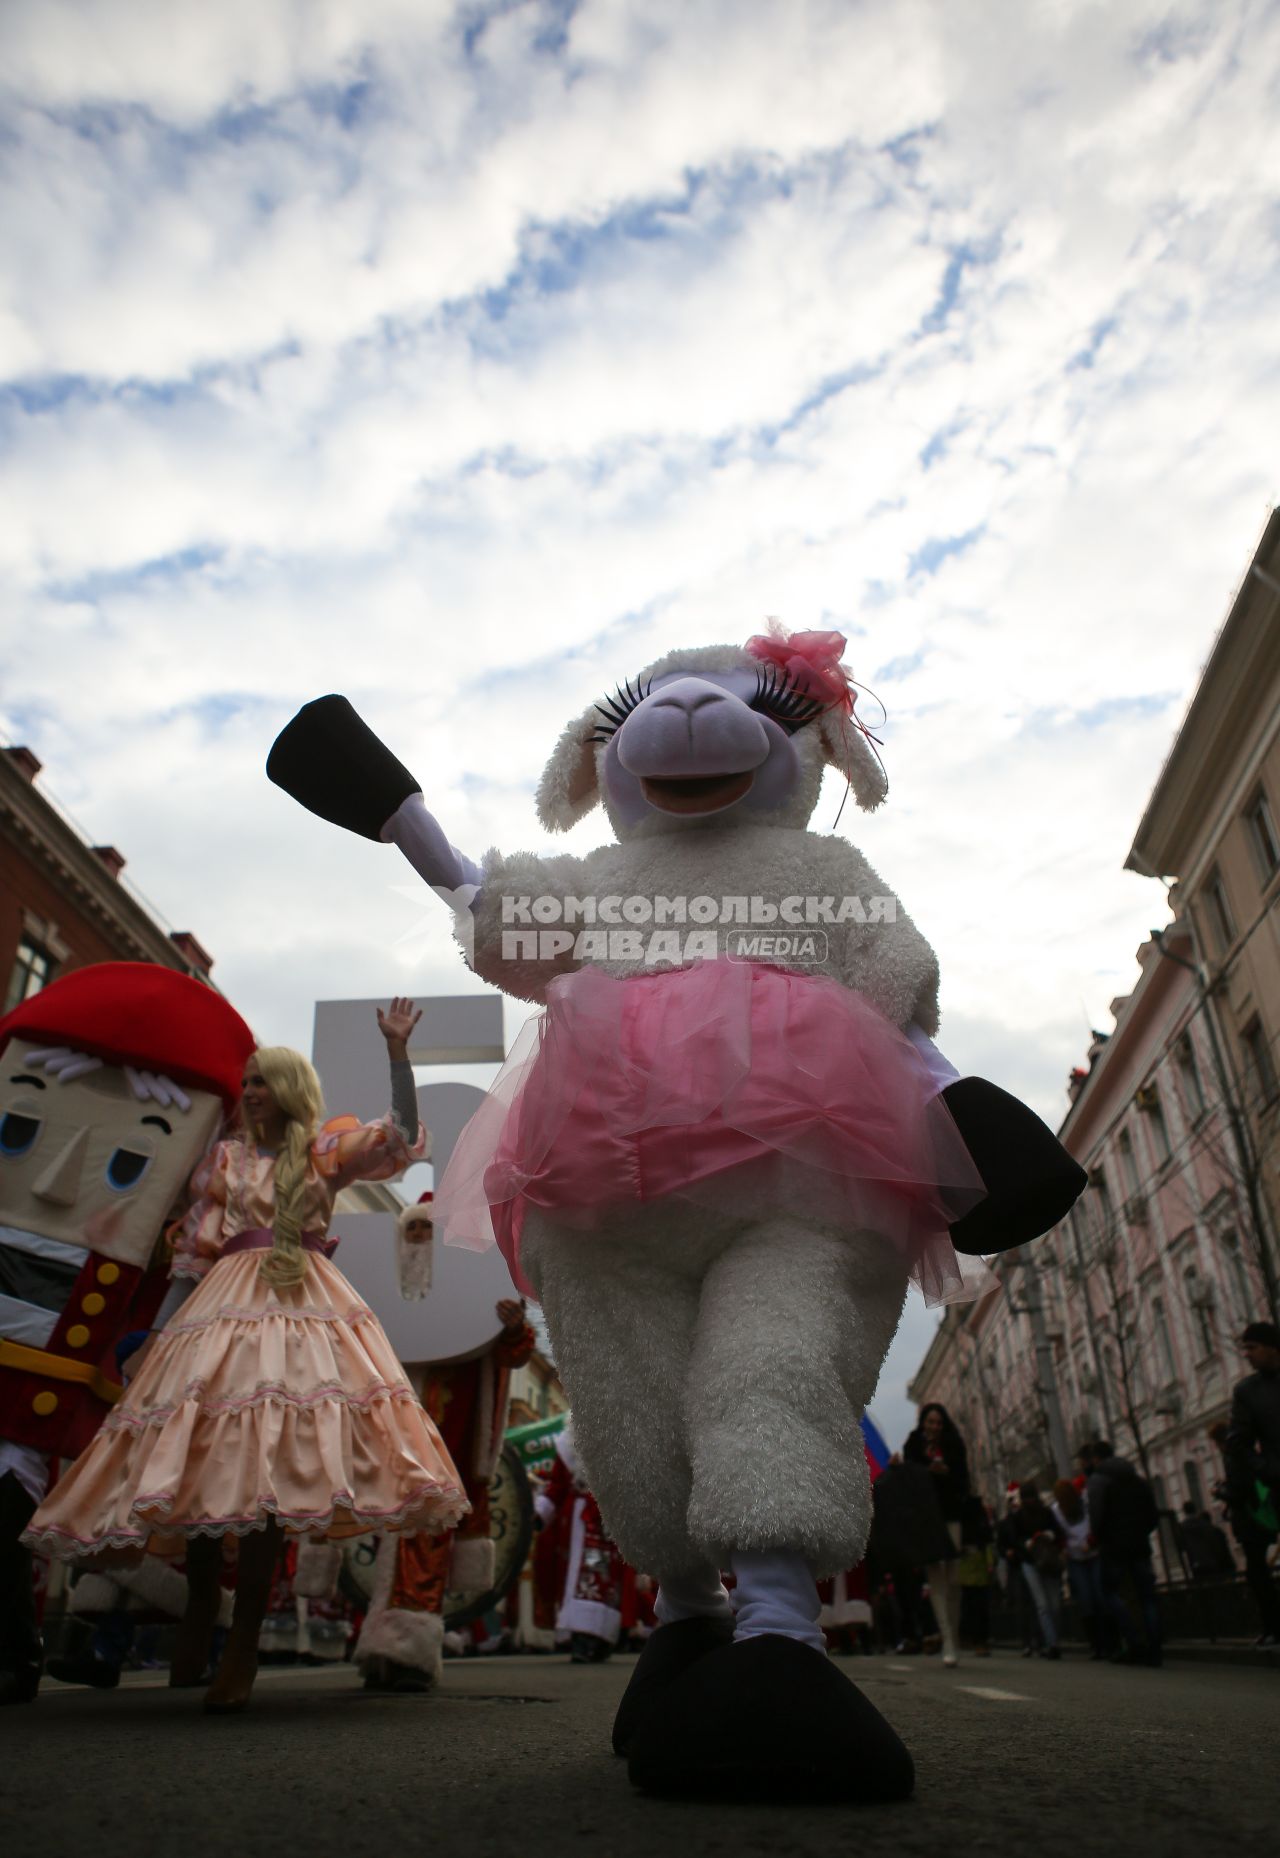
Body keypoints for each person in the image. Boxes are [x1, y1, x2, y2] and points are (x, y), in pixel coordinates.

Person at [23, 1000, 469, 1712]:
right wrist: (157, 1339)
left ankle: (242, 1642)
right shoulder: (222, 1160)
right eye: (249, 1080)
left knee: (265, 1474)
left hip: (300, 1309)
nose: (251, 1090)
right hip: (217, 1307)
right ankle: (204, 1609)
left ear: (288, 1090)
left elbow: (403, 1135)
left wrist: (397, 1053)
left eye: (263, 1080)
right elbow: (191, 1255)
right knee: (204, 1462)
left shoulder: (323, 1152)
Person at [0, 962, 256, 1705]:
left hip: (70, 1385)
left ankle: (37, 1646)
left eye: (132, 1160)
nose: (51, 1184)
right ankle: (28, 1645)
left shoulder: (206, 1218)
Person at [356, 1275, 536, 1694]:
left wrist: (509, 1326)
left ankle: (408, 1650)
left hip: (452, 1420)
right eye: (415, 1231)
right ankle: (384, 1648)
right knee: (386, 1536)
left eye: (427, 1232)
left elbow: (517, 1351)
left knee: (426, 1529)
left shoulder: (480, 1279)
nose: (422, 1238)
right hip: (393, 1413)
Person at [1223, 1321, 1280, 1647]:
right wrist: (1267, 1469)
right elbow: (1238, 1442)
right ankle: (1274, 1625)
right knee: (1258, 1566)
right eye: (1244, 1349)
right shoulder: (1247, 1392)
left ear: (1272, 1347)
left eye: (1252, 1348)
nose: (1247, 1355)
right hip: (1276, 1484)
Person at [1081, 1439, 1162, 1666]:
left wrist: (1099, 1538)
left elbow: (1096, 1516)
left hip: (1114, 1547)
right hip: (1139, 1544)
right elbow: (1152, 1514)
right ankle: (1155, 1649)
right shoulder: (1136, 1478)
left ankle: (1134, 1642)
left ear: (1096, 1458)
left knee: (1111, 1593)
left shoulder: (1098, 1481)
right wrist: (1140, 1532)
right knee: (1146, 1596)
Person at [903, 1403, 969, 1666]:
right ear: (923, 1423)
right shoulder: (913, 1445)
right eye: (930, 1422)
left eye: (938, 1423)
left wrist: (947, 1472)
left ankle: (952, 1632)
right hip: (928, 1520)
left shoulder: (954, 1445)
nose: (934, 1427)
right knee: (937, 1579)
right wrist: (923, 1468)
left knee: (953, 1579)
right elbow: (909, 1479)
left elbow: (965, 1481)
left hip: (952, 1515)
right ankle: (948, 1640)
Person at [1007, 1479, 1064, 1658]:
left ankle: (1053, 1639)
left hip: (1048, 1561)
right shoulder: (1018, 1518)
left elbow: (1058, 1533)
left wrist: (1047, 1536)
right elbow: (1014, 1540)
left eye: (1031, 1497)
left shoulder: (1047, 1514)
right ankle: (1052, 1643)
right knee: (1042, 1604)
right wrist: (1027, 1544)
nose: (1029, 1501)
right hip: (1030, 1562)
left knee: (1054, 1604)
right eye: (1026, 1498)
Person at [1051, 1476, 1107, 1656]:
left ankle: (1104, 1641)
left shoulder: (1084, 1502)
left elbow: (1093, 1523)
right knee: (1086, 1597)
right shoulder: (1057, 1511)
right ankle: (1097, 1642)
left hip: (1093, 1553)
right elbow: (1060, 1534)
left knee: (1097, 1594)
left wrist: (1091, 1541)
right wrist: (1066, 1548)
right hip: (1076, 1558)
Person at [1176, 1500, 1235, 1581]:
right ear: (1195, 1509)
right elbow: (1214, 1543)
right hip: (1211, 1562)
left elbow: (1181, 1546)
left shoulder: (1182, 1527)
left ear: (1184, 1511)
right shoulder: (1205, 1524)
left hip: (1196, 1564)